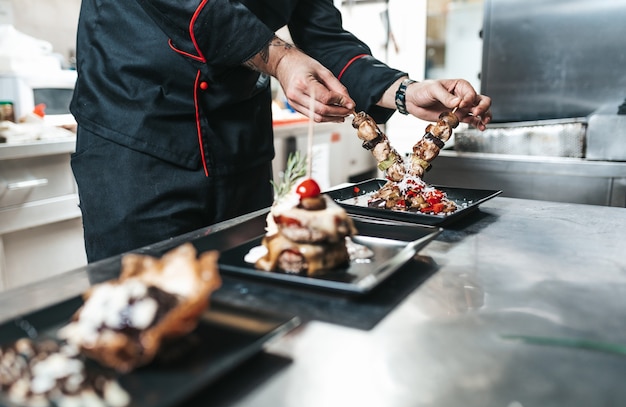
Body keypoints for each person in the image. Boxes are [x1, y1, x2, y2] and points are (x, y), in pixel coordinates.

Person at [70, 0, 492, 263]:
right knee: (141, 311)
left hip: (240, 147)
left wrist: (404, 91)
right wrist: (281, 60)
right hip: (136, 138)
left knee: (250, 304)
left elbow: (323, 35)